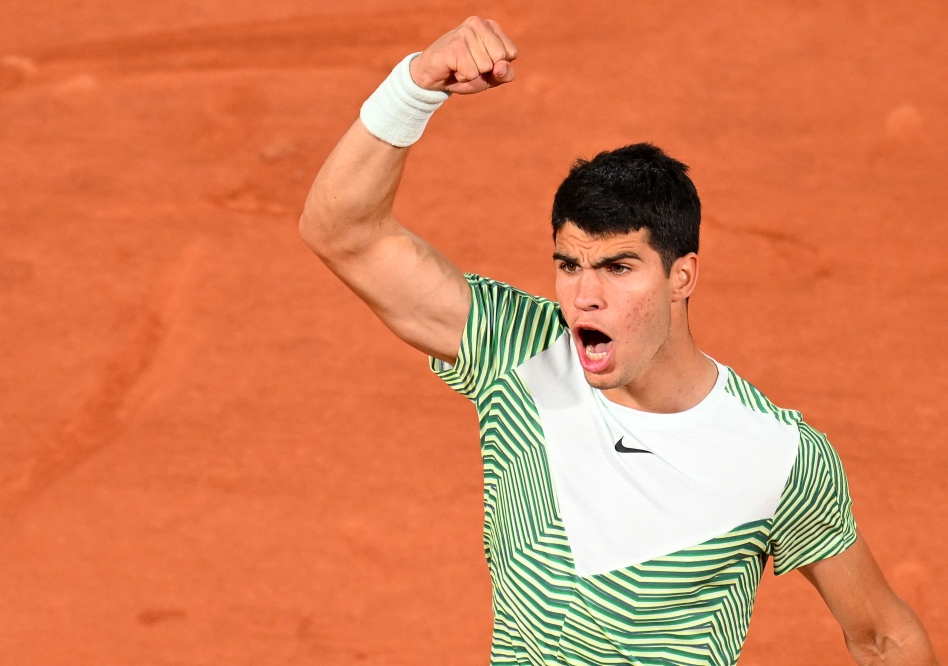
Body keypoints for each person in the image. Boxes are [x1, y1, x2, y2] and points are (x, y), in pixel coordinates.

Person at [298, 16, 939, 666]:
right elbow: (342, 231)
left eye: (619, 267)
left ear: (681, 276)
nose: (584, 296)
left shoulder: (777, 456)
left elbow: (884, 638)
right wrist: (416, 85)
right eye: (569, 265)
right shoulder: (516, 355)